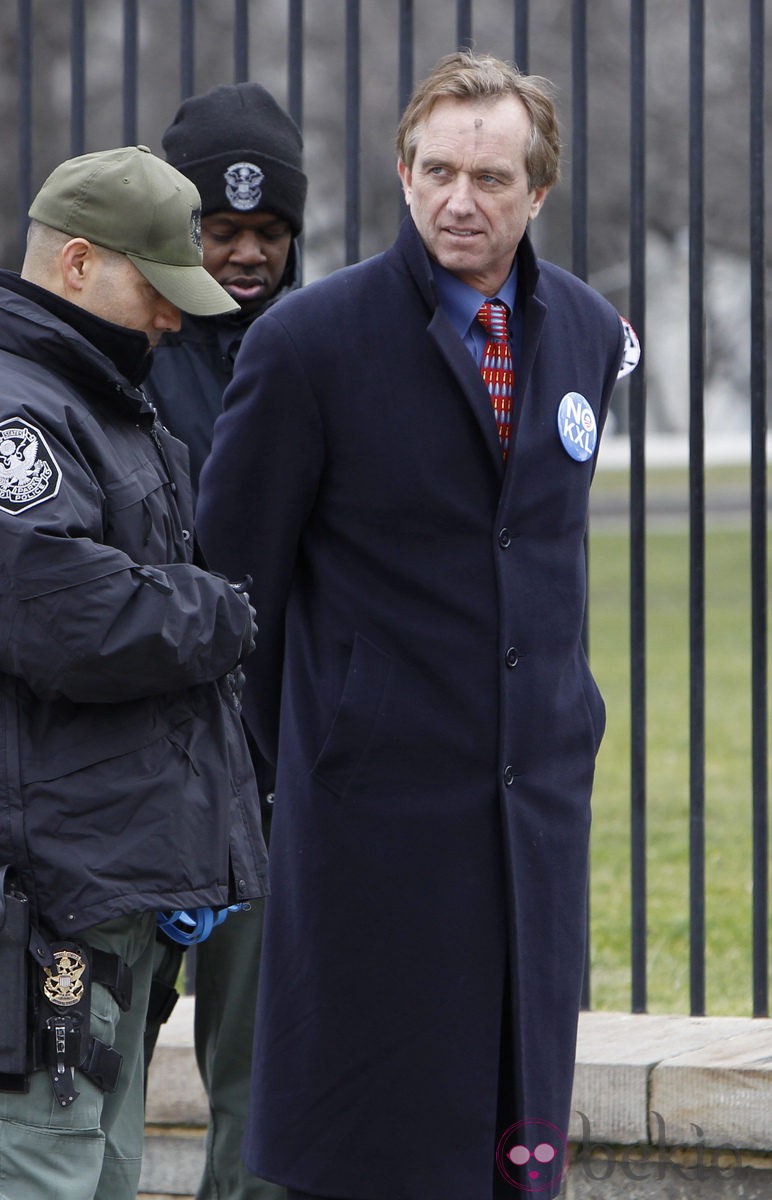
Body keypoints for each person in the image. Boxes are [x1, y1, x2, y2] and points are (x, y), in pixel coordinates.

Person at [196, 51, 638, 1200]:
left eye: (490, 177)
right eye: (436, 170)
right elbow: (234, 584)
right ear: (401, 174)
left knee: (511, 1133)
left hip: (529, 810)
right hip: (368, 818)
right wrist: (312, 744)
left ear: (536, 191)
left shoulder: (587, 336)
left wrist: (565, 719)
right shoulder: (307, 345)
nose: (459, 199)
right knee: (370, 1140)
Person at [0, 145, 269, 1200]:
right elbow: (60, 615)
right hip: (46, 887)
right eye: (157, 289)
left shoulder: (85, 401)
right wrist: (220, 611)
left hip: (100, 875)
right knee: (35, 1176)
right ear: (79, 262)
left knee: (90, 1173)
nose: (174, 321)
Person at [143, 82, 306, 1200]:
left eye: (267, 232)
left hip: (265, 773)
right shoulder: (125, 351)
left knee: (255, 1085)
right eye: (220, 230)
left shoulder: (318, 348)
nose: (245, 255)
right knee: (83, 1058)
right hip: (135, 766)